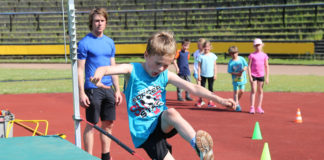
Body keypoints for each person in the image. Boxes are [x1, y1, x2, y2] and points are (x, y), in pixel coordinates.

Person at [90, 31, 236, 160]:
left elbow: (192, 87)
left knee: (171, 113)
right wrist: (100, 73)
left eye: (166, 66)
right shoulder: (132, 70)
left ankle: (199, 148)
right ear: (146, 55)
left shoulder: (165, 75)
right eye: (158, 63)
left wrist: (220, 99)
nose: (160, 69)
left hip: (161, 123)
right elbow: (107, 68)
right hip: (145, 134)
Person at [77, 8, 122, 160]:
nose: (99, 24)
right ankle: (88, 157)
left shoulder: (110, 42)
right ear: (91, 23)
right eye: (97, 21)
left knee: (108, 124)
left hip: (109, 89)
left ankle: (106, 156)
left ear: (106, 23)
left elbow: (113, 67)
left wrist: (117, 90)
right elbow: (80, 69)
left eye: (102, 21)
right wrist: (81, 93)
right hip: (93, 89)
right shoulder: (84, 43)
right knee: (91, 124)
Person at [248, 38, 270, 114]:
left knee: (260, 90)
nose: (257, 47)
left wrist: (267, 77)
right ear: (254, 46)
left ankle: (259, 107)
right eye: (256, 45)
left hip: (261, 75)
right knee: (253, 90)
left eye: (259, 45)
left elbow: (266, 66)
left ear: (262, 45)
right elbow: (249, 66)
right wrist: (250, 76)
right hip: (253, 75)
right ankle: (252, 107)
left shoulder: (264, 55)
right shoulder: (252, 55)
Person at [196, 40, 218, 108]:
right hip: (203, 75)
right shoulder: (201, 56)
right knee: (202, 88)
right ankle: (200, 100)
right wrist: (199, 75)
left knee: (210, 88)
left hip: (211, 75)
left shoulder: (213, 56)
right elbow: (199, 66)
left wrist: (215, 74)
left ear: (210, 47)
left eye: (208, 47)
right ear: (203, 47)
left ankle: (210, 102)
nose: (206, 48)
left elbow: (215, 66)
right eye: (205, 47)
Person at [227, 46, 248, 112]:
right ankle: (237, 104)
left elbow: (246, 66)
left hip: (242, 79)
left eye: (235, 53)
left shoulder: (241, 59)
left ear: (237, 53)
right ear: (230, 54)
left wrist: (243, 70)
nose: (233, 55)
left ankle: (235, 101)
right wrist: (236, 74)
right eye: (232, 53)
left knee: (242, 91)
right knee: (235, 92)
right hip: (235, 80)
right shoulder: (231, 62)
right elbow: (230, 71)